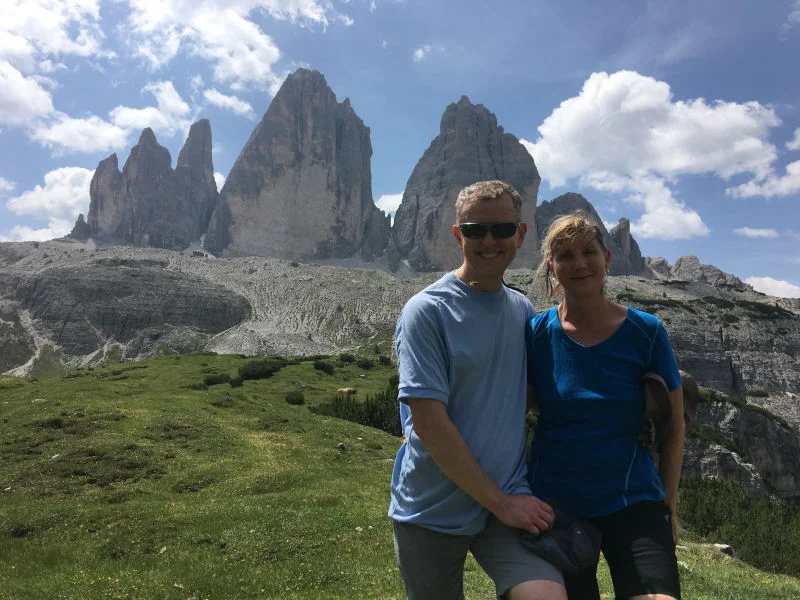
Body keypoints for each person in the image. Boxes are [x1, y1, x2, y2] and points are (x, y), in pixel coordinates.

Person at [389, 180, 567, 600]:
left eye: (503, 229)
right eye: (474, 230)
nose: (489, 241)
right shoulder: (426, 311)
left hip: (506, 502)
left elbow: (523, 396)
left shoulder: (521, 308)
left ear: (522, 235)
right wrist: (503, 504)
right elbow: (429, 424)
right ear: (457, 235)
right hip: (433, 509)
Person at [526, 212, 685, 600]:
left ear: (608, 258)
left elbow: (675, 424)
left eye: (588, 252)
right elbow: (516, 410)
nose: (579, 263)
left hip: (633, 500)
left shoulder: (646, 331)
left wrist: (669, 502)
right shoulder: (534, 334)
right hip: (555, 506)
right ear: (551, 268)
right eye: (565, 256)